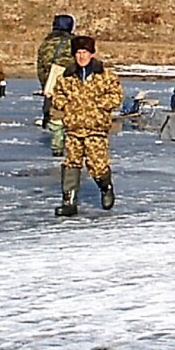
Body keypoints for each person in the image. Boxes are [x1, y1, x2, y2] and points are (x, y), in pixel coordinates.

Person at [51, 36, 122, 216]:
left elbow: (116, 96)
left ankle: (105, 187)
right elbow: (57, 95)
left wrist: (98, 104)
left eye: (85, 53)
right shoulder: (66, 77)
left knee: (97, 165)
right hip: (74, 128)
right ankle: (69, 201)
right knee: (71, 164)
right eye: (78, 53)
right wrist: (65, 104)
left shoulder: (105, 76)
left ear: (92, 54)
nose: (82, 56)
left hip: (96, 128)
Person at [36, 14, 75, 145]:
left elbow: (40, 67)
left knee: (51, 110)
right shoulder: (74, 43)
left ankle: (52, 133)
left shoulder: (45, 44)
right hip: (70, 85)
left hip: (50, 83)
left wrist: (45, 85)